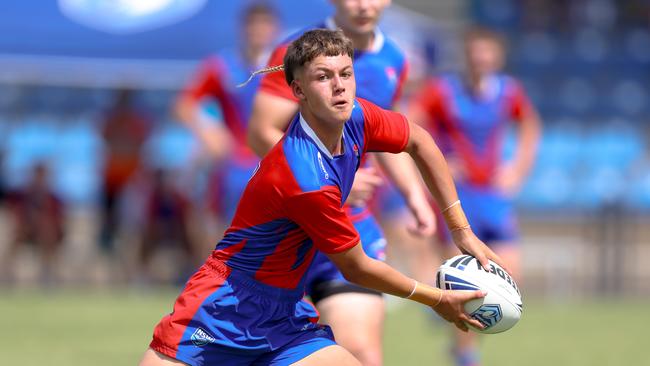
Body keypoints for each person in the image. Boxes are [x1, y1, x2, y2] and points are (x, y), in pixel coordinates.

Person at [139, 28, 506, 366]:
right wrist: (435, 298)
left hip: (283, 312)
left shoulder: (358, 117)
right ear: (297, 91)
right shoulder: (303, 177)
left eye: (346, 74)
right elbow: (356, 267)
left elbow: (419, 141)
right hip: (223, 307)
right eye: (323, 77)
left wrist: (460, 230)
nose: (340, 87)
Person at [247, 2, 434, 363]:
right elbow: (261, 132)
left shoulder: (394, 58)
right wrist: (330, 178)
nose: (364, 5)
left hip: (350, 224)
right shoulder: (295, 51)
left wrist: (414, 195)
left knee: (360, 351)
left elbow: (386, 137)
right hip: (286, 230)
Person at [409, 26, 541, 366]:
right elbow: (410, 125)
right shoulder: (443, 91)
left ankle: (456, 335)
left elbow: (529, 126)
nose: (481, 58)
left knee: (512, 273)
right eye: (475, 51)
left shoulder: (508, 92)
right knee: (464, 282)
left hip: (494, 196)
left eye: (487, 52)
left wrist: (517, 170)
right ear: (466, 54)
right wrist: (437, 161)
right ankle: (466, 355)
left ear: (498, 56)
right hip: (456, 195)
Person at [174, 2, 279, 224]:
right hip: (234, 167)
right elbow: (184, 105)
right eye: (253, 25)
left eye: (264, 25)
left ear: (274, 29)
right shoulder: (222, 66)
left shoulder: (288, 68)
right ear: (243, 29)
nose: (258, 31)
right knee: (226, 234)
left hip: (277, 165)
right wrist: (207, 131)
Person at [99, 88, 150, 254]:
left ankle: (133, 258)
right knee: (111, 222)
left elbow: (139, 144)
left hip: (131, 179)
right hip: (112, 179)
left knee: (133, 224)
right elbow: (107, 140)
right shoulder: (110, 119)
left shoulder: (137, 120)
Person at [3, 162, 65, 285]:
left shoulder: (53, 197)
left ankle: (47, 274)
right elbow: (12, 209)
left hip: (46, 234)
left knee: (47, 231)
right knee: (18, 233)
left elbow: (59, 219)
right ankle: (7, 275)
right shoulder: (22, 195)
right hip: (26, 231)